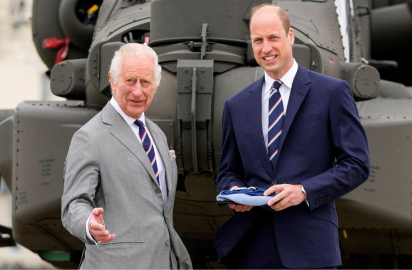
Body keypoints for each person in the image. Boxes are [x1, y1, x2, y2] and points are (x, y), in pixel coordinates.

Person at [213, 4, 370, 269]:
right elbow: (228, 171)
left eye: (273, 37)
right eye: (258, 40)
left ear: (291, 36)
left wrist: (303, 191)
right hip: (252, 250)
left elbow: (357, 165)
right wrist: (235, 193)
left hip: (311, 250)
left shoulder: (332, 92)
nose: (266, 48)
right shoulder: (236, 105)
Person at [61, 43, 192, 269]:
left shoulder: (157, 135)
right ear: (113, 80)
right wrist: (88, 224)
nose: (138, 91)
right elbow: (74, 204)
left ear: (156, 85)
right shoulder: (90, 137)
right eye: (130, 80)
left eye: (146, 82)